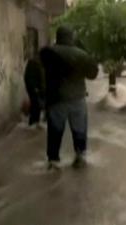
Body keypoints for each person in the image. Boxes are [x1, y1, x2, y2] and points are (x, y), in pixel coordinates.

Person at [40, 26, 98, 170]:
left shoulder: (48, 52)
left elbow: (42, 69)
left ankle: (53, 162)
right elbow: (93, 74)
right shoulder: (81, 54)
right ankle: (80, 157)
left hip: (57, 100)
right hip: (77, 99)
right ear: (72, 37)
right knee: (79, 130)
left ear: (58, 36)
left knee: (55, 131)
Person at [24, 50, 45, 128]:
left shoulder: (41, 63)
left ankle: (36, 122)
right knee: (35, 105)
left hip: (39, 88)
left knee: (38, 106)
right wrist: (34, 87)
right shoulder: (33, 62)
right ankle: (32, 122)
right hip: (34, 89)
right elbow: (28, 77)